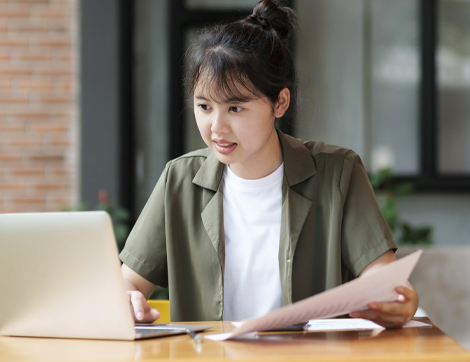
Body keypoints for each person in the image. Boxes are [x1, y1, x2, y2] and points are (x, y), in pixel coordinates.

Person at [119, 0, 418, 329]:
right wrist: (128, 297)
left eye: (235, 108)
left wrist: (398, 301)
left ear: (280, 102)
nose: (216, 127)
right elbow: (128, 283)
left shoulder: (338, 173)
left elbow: (386, 282)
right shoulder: (180, 179)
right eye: (204, 106)